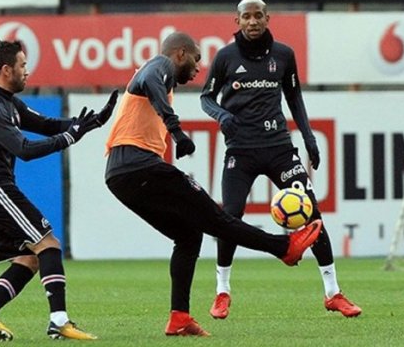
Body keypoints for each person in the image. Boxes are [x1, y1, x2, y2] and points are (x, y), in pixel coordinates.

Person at [105, 31, 323, 337]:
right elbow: (152, 80)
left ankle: (179, 318)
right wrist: (176, 131)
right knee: (217, 219)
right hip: (139, 167)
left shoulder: (156, 74)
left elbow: (149, 87)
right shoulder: (160, 65)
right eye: (196, 59)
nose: (198, 67)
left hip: (119, 176)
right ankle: (284, 247)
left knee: (189, 235)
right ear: (180, 53)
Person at [199, 0, 361, 318]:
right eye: (247, 16)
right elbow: (206, 98)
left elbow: (294, 97)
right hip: (240, 151)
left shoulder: (284, 55)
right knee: (230, 216)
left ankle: (333, 293)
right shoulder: (226, 57)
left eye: (258, 15)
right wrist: (221, 115)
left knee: (312, 212)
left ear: (267, 18)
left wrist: (309, 137)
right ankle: (222, 291)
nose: (253, 21)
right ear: (237, 21)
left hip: (279, 149)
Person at [0, 40, 117, 341]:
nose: (27, 71)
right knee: (48, 244)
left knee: (29, 259)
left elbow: (46, 125)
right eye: (22, 65)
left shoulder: (7, 101)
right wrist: (70, 138)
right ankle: (59, 321)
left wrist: (90, 123)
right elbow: (24, 149)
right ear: (6, 70)